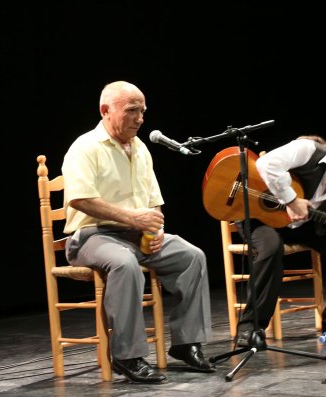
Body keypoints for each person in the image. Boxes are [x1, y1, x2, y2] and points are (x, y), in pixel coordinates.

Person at [62, 81, 215, 383]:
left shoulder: (142, 149)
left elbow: (154, 204)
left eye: (142, 111)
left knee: (191, 256)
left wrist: (157, 229)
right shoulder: (85, 147)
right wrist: (134, 218)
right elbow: (81, 199)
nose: (140, 118)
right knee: (124, 263)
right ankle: (127, 356)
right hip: (91, 236)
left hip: (135, 237)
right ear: (105, 111)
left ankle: (186, 344)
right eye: (132, 110)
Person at [236, 132, 326, 346]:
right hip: (261, 217)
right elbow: (267, 164)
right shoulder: (309, 150)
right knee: (271, 247)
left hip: (301, 226)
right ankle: (250, 328)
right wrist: (291, 200)